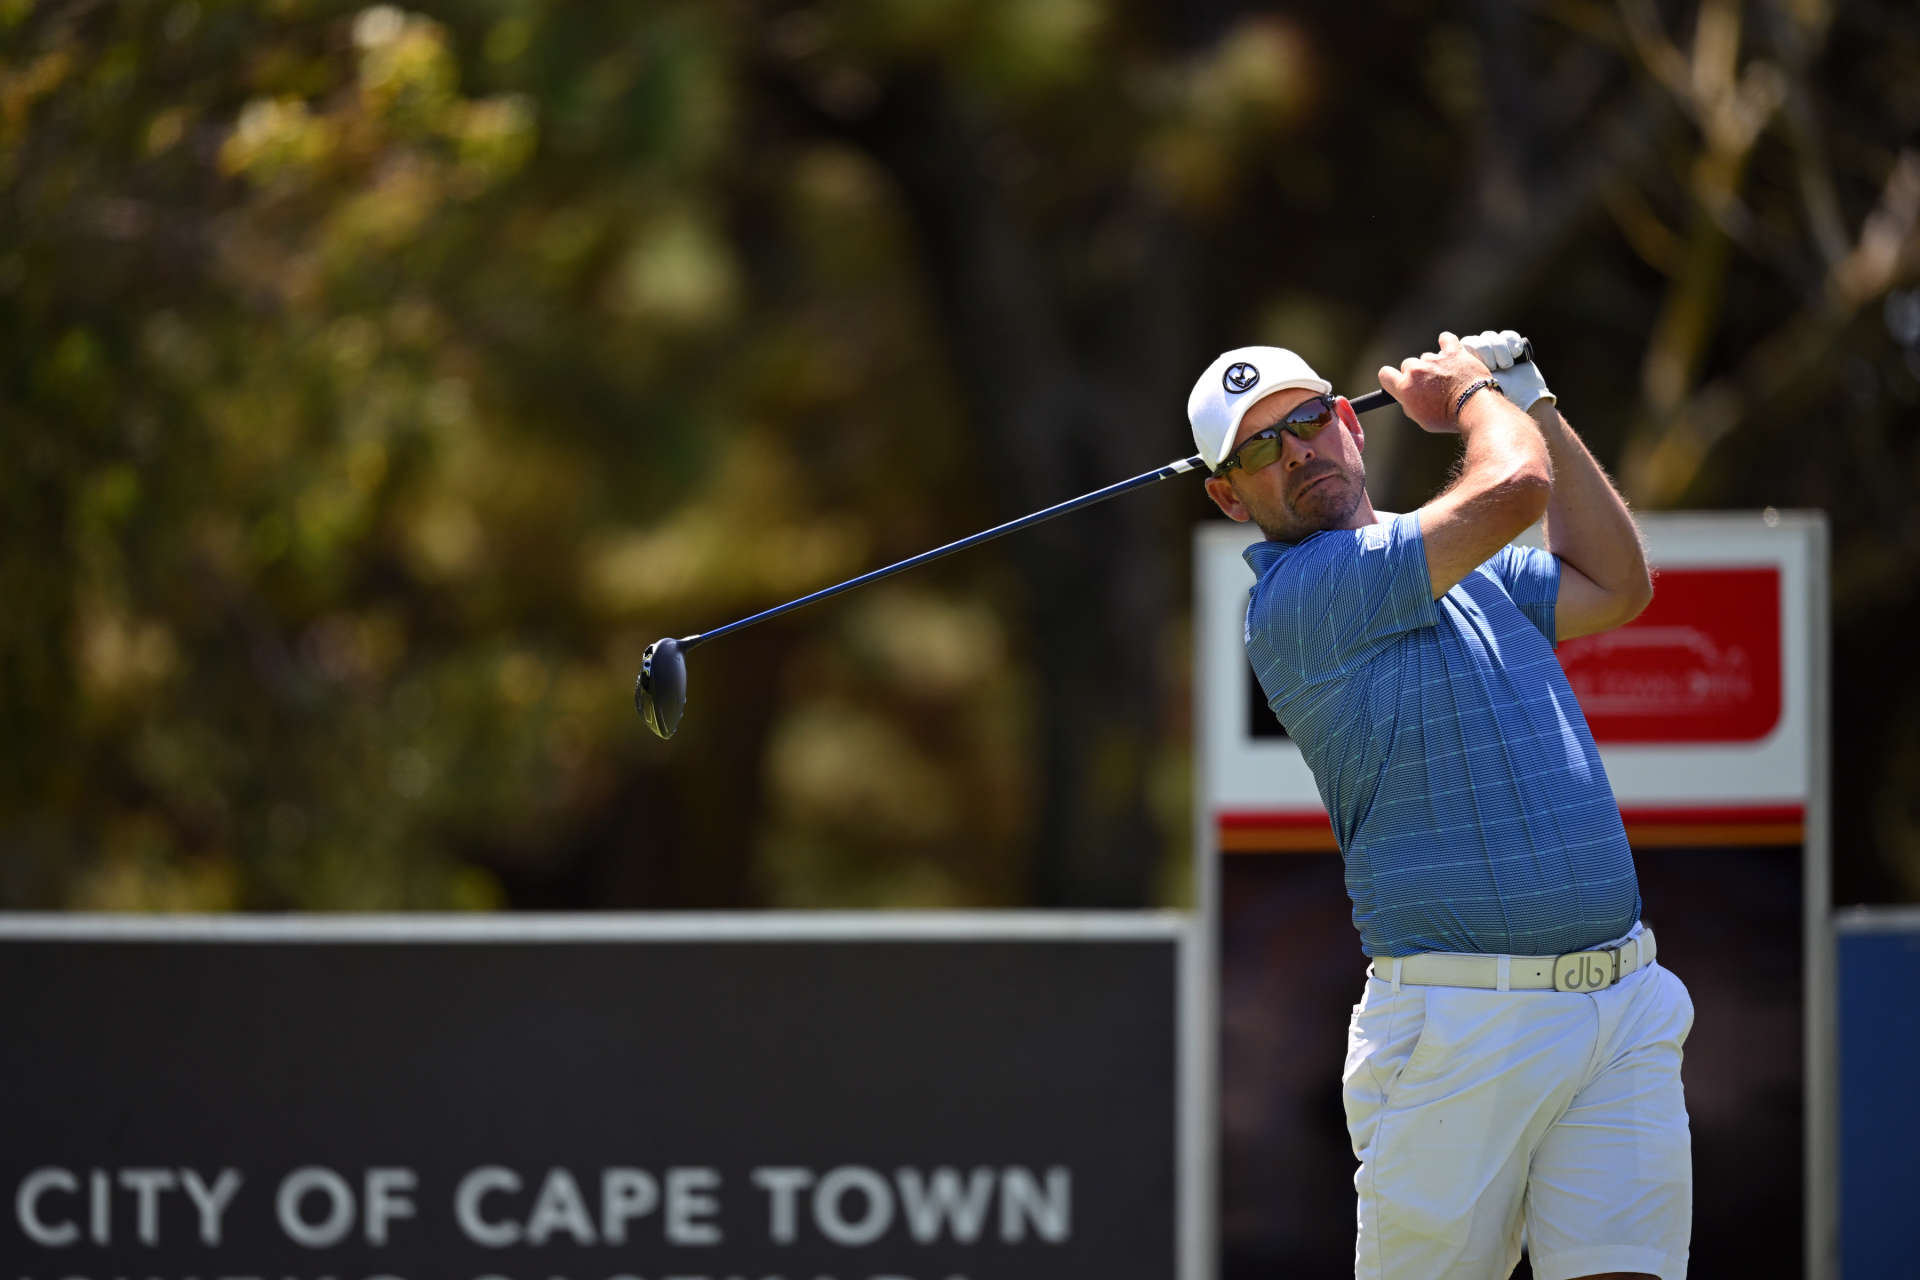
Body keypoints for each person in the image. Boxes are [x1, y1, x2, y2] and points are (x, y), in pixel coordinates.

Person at [1187, 331, 1693, 1280]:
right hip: (1461, 1030)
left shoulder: (1471, 570)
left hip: (1620, 1002)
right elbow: (1514, 491)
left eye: (1306, 421)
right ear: (1229, 495)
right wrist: (1470, 393)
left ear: (1349, 424)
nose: (1296, 451)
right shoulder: (1299, 598)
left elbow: (1617, 585)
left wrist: (1532, 399)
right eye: (1259, 449)